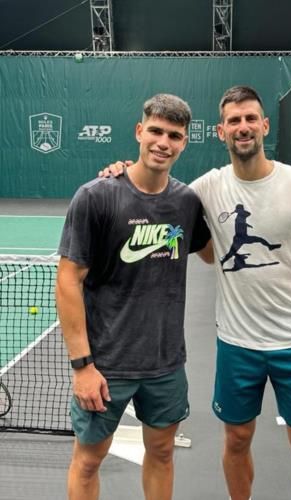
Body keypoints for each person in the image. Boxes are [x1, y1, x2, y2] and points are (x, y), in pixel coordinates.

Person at [100, 85, 291, 500]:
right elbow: (155, 193)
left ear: (264, 125)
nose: (243, 127)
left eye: (250, 118)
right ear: (221, 131)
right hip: (238, 344)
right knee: (236, 440)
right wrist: (119, 175)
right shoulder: (203, 190)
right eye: (234, 121)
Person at [55, 93, 212, 500]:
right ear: (139, 132)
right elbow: (68, 280)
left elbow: (211, 252)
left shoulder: (187, 203)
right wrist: (82, 366)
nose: (163, 142)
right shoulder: (96, 196)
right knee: (88, 461)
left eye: (174, 135)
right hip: (106, 365)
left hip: (165, 363)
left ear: (184, 143)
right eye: (156, 131)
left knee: (161, 455)